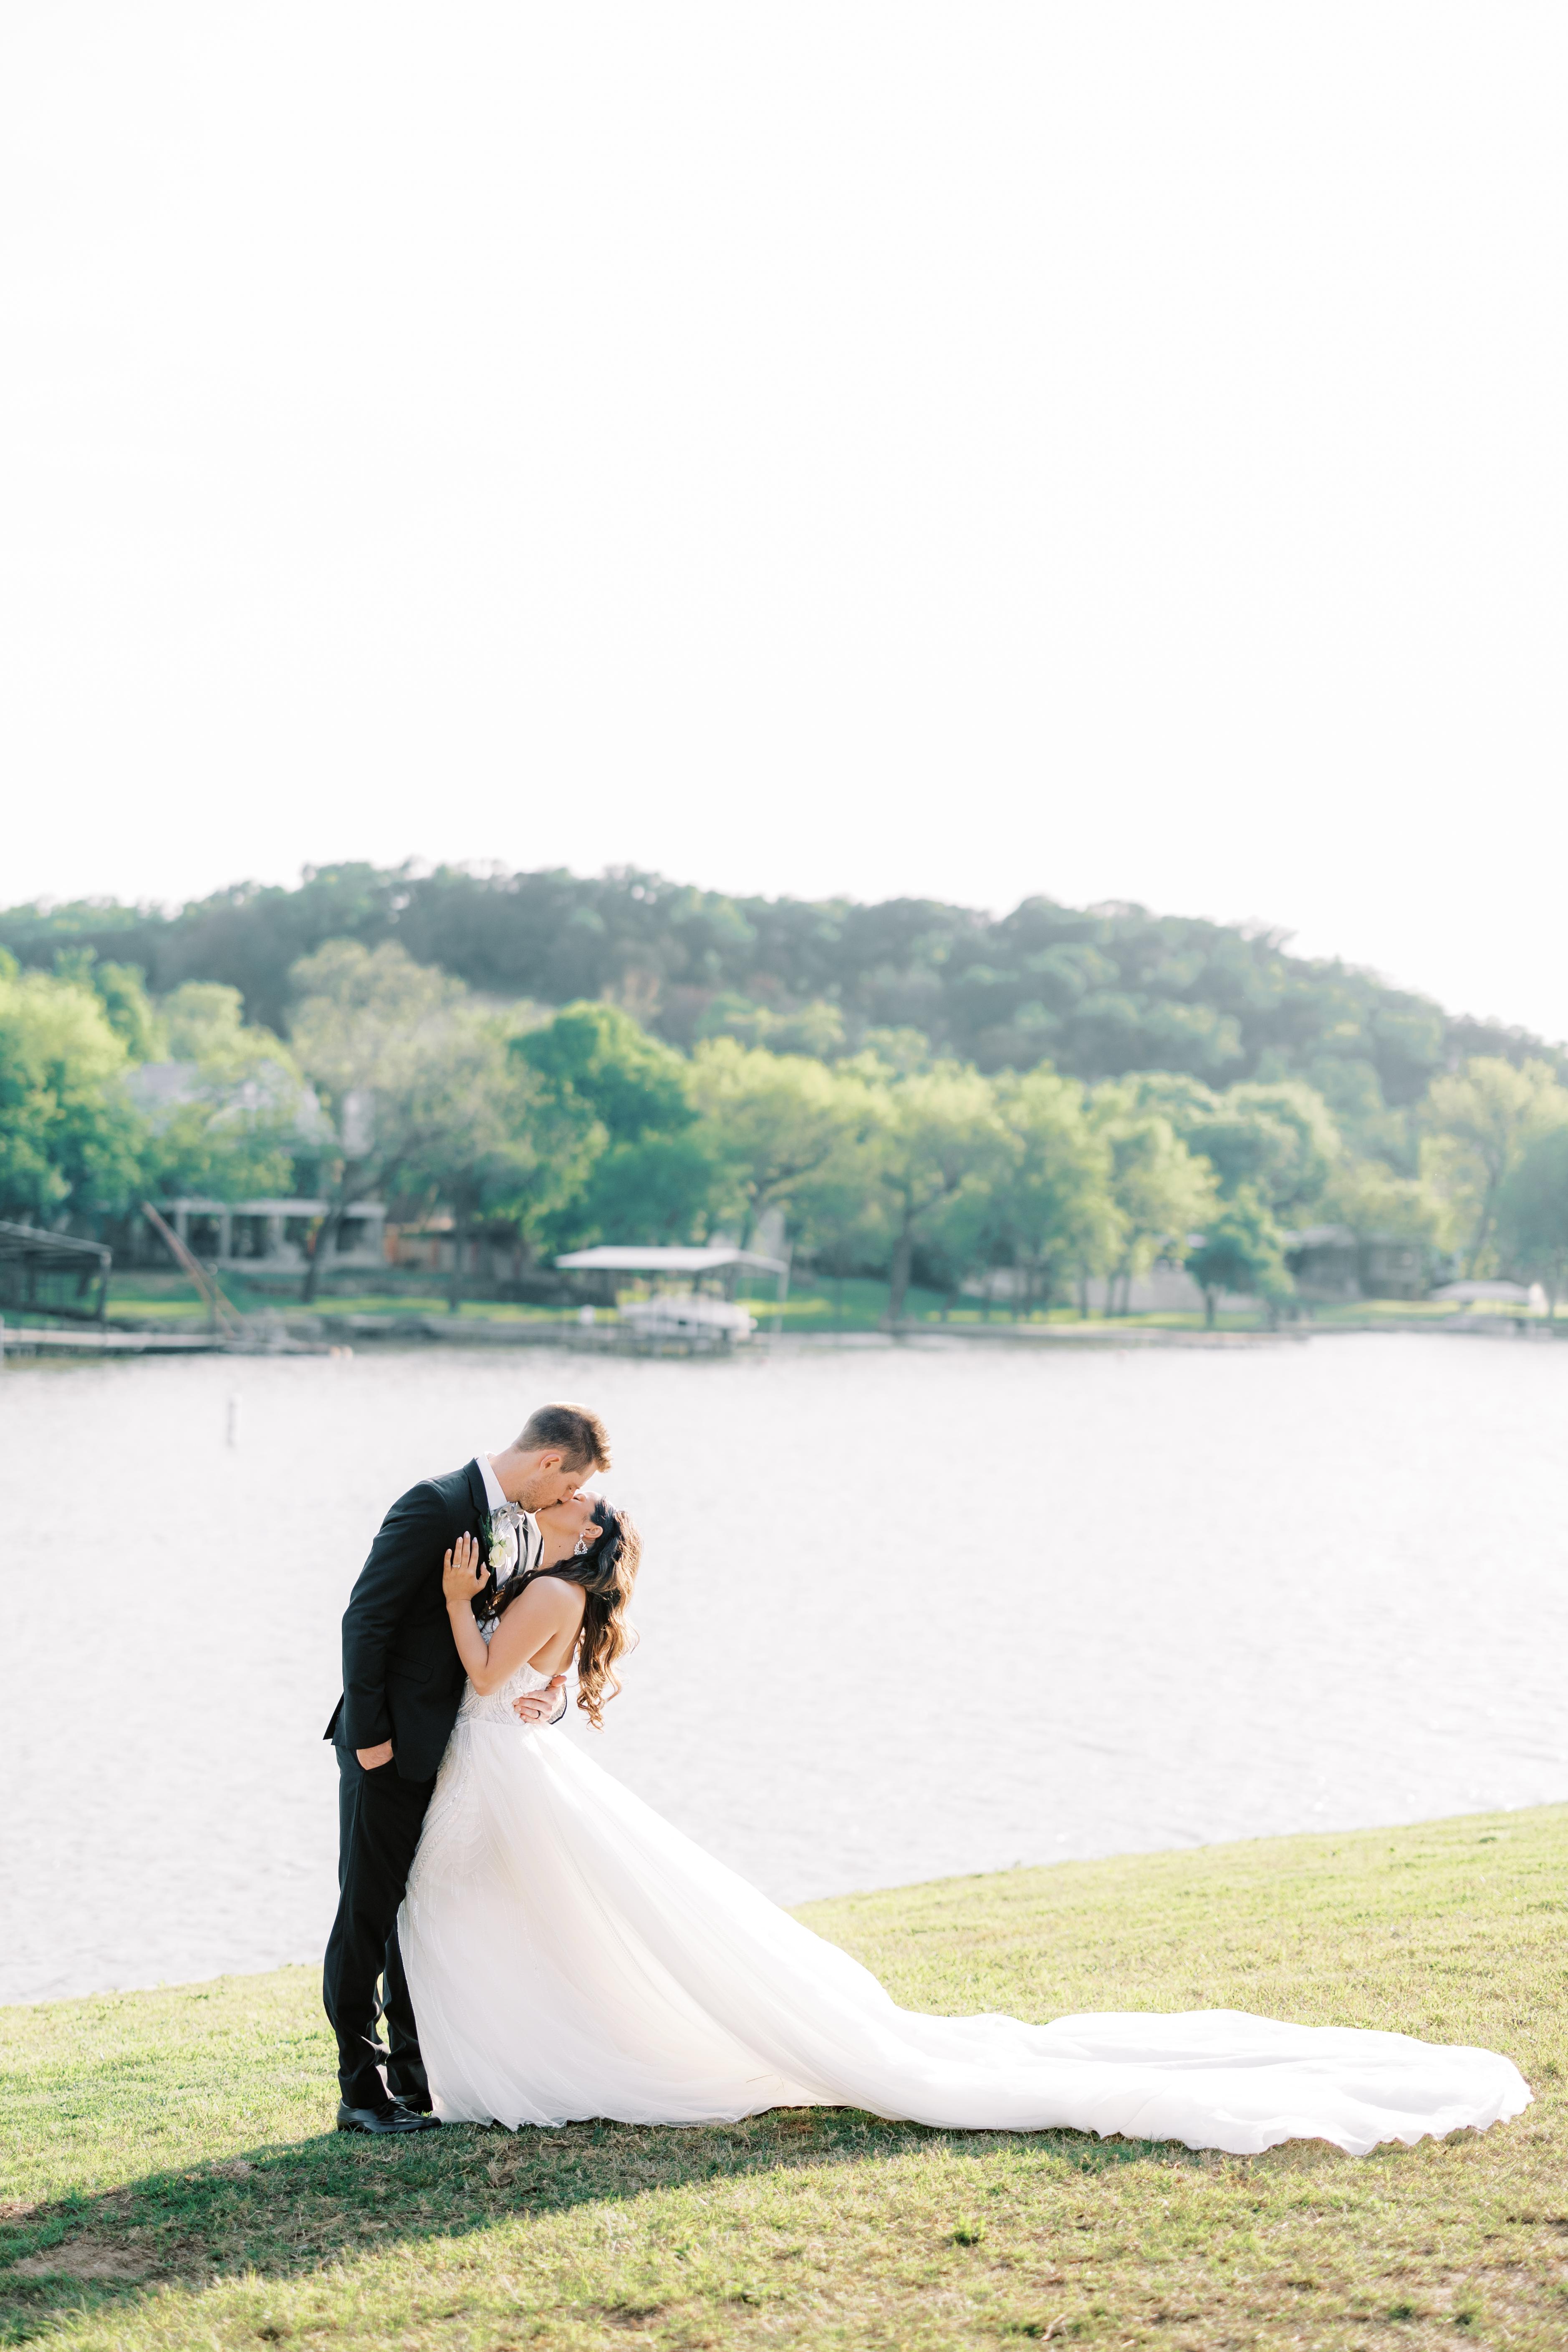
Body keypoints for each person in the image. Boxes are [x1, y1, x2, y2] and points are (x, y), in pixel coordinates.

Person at [398, 1496, 1531, 2156]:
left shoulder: (551, 1591)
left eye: (575, 1508)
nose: (559, 1511)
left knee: (466, 1909)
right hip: (507, 1766)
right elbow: (523, 1681)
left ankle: (503, 2065)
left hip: (498, 1765)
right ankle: (501, 2059)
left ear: (590, 1535)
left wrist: (456, 1603)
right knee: (500, 1917)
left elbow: (491, 1674)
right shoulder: (564, 1592)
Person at [322, 1400, 611, 2134]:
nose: (567, 1498)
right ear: (549, 1461)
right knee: (367, 1913)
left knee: (420, 1911)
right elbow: (366, 1619)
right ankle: (361, 2093)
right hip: (391, 1747)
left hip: (460, 1753)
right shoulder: (435, 1504)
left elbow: (520, 1640)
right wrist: (370, 1738)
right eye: (568, 1485)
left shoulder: (523, 1524)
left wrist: (551, 1694)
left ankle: (415, 2079)